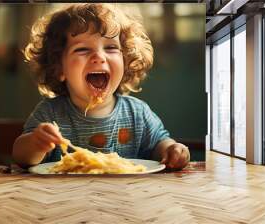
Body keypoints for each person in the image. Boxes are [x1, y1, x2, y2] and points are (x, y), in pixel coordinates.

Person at [13, 3, 190, 170]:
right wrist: (36, 143)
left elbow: (160, 144)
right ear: (60, 68)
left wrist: (173, 149)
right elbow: (21, 157)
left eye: (111, 47)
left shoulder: (138, 113)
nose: (99, 56)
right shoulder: (49, 114)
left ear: (125, 61)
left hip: (127, 195)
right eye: (82, 49)